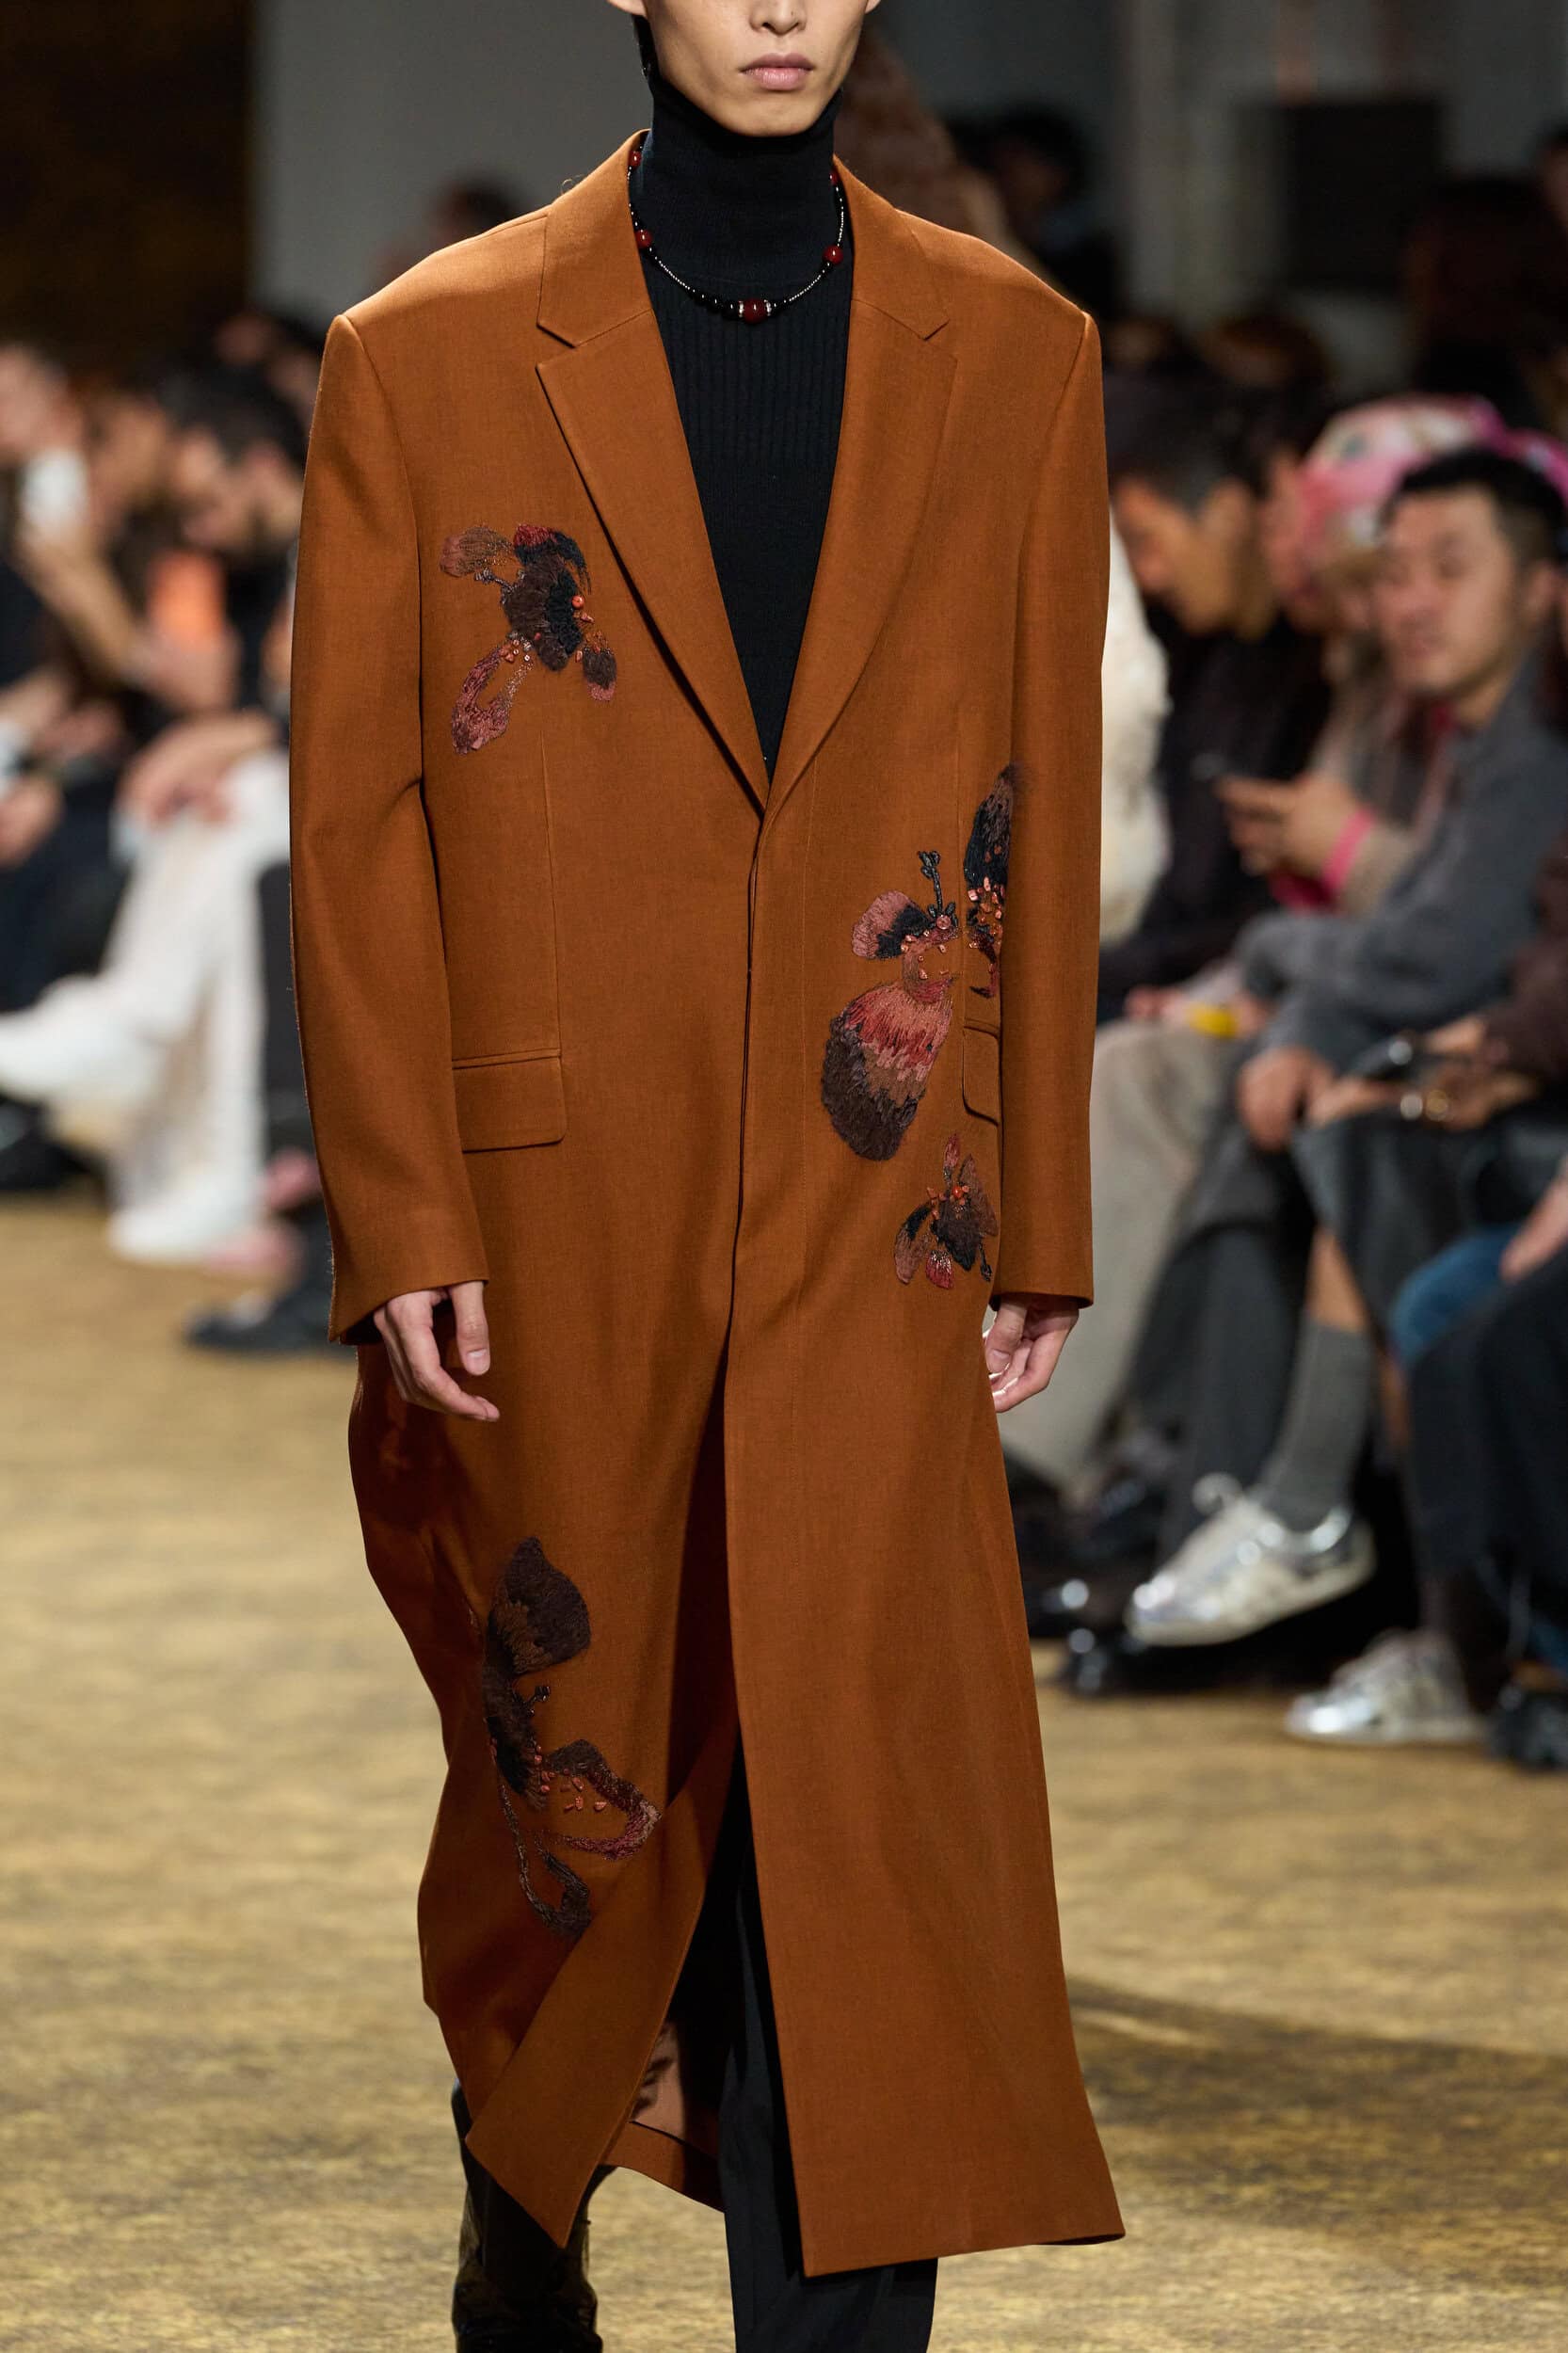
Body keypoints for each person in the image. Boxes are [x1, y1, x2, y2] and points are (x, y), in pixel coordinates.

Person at [286, 4, 1122, 2349]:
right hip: (564, 1191)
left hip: (881, 1178)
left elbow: (1040, 790)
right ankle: (529, 2150)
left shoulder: (1015, 349)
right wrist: (404, 1203)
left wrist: (1040, 1199)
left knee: (852, 1783)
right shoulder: (425, 352)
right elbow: (353, 825)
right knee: (577, 1767)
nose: (775, 4)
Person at [1124, 448, 1568, 1648]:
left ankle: (1289, 1525)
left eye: (1448, 569)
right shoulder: (1472, 733)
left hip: (1518, 1100)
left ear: (1541, 588)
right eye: (1393, 571)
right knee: (1284, 1103)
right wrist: (1314, 1019)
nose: (1408, 601)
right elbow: (1423, 947)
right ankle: (1201, 1493)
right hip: (1483, 1065)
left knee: (1342, 1129)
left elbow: (1447, 957)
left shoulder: (1535, 736)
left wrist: (1287, 971)